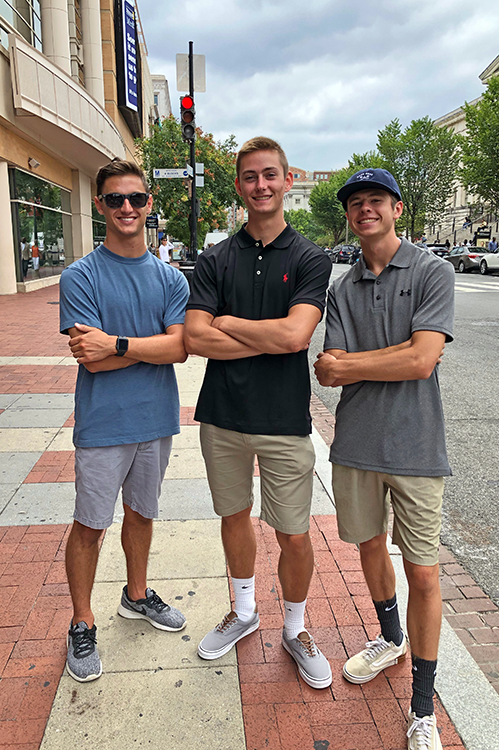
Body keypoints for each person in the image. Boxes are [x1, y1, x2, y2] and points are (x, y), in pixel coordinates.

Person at [184, 136, 332, 689]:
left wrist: (230, 324)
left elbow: (297, 335)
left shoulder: (311, 257)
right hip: (222, 416)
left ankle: (296, 629)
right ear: (240, 186)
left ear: (287, 180)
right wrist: (264, 338)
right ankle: (245, 613)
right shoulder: (215, 257)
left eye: (271, 175)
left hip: (284, 420)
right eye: (250, 177)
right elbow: (195, 336)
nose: (261, 185)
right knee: (233, 518)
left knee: (293, 533)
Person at [314, 168, 454, 750]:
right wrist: (394, 355)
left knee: (423, 571)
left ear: (397, 208)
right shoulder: (341, 288)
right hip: (357, 445)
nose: (364, 209)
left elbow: (424, 361)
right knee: (369, 547)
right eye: (355, 203)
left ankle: (423, 706)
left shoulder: (432, 271)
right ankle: (389, 638)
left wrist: (360, 363)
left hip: (417, 446)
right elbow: (327, 368)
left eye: (375, 200)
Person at [59, 159, 190, 683]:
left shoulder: (170, 278)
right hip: (102, 423)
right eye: (115, 200)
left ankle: (136, 595)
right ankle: (82, 620)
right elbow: (88, 358)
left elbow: (181, 349)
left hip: (154, 420)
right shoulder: (80, 276)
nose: (127, 208)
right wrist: (154, 346)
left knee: (141, 515)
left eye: (135, 198)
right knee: (90, 525)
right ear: (100, 206)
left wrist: (116, 343)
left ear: (149, 201)